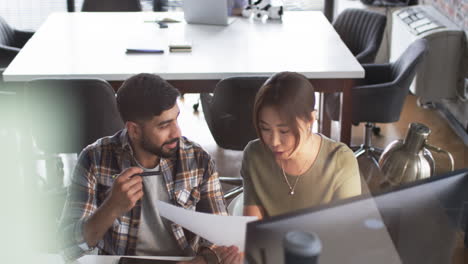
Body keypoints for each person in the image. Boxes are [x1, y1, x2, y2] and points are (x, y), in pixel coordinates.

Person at [58, 73, 241, 264]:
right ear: (134, 130)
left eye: (176, 119)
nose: (177, 132)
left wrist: (201, 261)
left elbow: (222, 239)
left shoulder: (197, 159)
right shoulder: (95, 159)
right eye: (164, 125)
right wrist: (111, 207)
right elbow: (67, 246)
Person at [242, 72, 361, 219]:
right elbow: (252, 228)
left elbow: (346, 229)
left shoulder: (340, 160)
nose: (274, 142)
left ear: (311, 119)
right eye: (265, 129)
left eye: (284, 130)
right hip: (268, 241)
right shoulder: (254, 155)